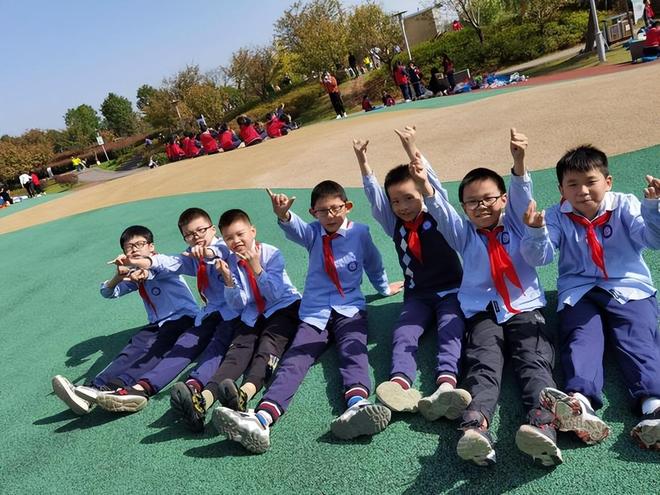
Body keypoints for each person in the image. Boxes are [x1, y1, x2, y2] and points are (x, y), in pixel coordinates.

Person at [410, 129, 567, 467]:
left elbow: (523, 196)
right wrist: (425, 186)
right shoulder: (463, 234)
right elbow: (440, 210)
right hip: (482, 312)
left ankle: (543, 424)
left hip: (524, 307)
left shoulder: (518, 223)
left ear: (503, 199)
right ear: (464, 207)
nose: (481, 206)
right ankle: (475, 427)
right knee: (483, 364)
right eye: (472, 202)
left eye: (488, 198)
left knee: (533, 358)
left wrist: (519, 163)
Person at [212, 181, 403, 454]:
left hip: (349, 307)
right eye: (323, 211)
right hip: (314, 312)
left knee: (353, 350)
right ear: (314, 213)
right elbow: (295, 227)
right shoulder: (313, 233)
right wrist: (283, 214)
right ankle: (262, 419)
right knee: (294, 360)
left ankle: (358, 404)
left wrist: (384, 288)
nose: (331, 215)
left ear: (347, 206)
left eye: (336, 208)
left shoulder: (360, 233)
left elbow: (373, 263)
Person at [520, 145, 660, 451]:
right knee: (581, 337)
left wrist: (653, 208)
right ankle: (580, 403)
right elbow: (540, 258)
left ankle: (654, 406)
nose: (582, 191)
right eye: (572, 184)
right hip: (579, 289)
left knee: (638, 335)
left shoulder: (625, 204)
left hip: (627, 285)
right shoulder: (556, 215)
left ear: (607, 182)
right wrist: (536, 232)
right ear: (561, 190)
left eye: (590, 181)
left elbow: (653, 239)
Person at [353, 126, 470, 423]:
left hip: (452, 290)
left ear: (421, 192)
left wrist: (411, 149)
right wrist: (363, 162)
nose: (402, 207)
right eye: (396, 201)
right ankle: (400, 383)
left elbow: (434, 184)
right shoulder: (394, 224)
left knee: (450, 329)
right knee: (403, 333)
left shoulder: (437, 214)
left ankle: (446, 385)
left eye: (408, 198)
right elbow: (375, 198)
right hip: (417, 294)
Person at [94, 208, 240, 412]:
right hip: (203, 315)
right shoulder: (186, 258)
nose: (196, 237)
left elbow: (221, 250)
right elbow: (166, 264)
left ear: (213, 229)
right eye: (189, 234)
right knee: (140, 345)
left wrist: (207, 252)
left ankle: (151, 387)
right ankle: (101, 387)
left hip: (214, 315)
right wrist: (127, 270)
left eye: (201, 230)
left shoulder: (225, 246)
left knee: (202, 347)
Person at [170, 209, 302, 432]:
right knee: (238, 349)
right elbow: (239, 304)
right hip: (252, 312)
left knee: (268, 345)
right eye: (229, 238)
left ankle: (244, 394)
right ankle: (202, 401)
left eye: (240, 234)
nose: (236, 241)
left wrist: (256, 268)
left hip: (283, 308)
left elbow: (274, 294)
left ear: (253, 231)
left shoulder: (271, 253)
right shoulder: (229, 261)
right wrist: (229, 281)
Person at [51, 225, 200, 415]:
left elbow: (151, 271)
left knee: (156, 349)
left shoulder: (163, 262)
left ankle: (115, 386)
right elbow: (107, 292)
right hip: (157, 324)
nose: (135, 249)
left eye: (140, 244)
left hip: (184, 319)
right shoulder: (133, 272)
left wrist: (140, 272)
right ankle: (91, 391)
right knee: (133, 348)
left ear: (151, 247)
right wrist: (119, 276)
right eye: (129, 247)